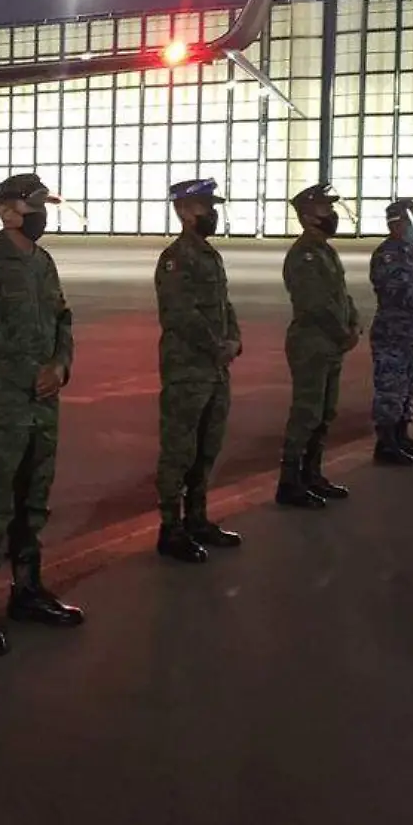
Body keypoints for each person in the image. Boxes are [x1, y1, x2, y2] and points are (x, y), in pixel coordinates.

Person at [0, 172, 83, 656]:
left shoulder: (44, 263)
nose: (40, 213)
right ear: (8, 211)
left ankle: (27, 589)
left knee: (34, 498)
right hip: (4, 404)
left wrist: (61, 366)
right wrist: (35, 372)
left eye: (42, 205)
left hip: (44, 402)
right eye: (33, 206)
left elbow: (63, 320)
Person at [152, 178, 244, 564]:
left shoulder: (210, 255)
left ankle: (198, 518)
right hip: (188, 369)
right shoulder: (176, 259)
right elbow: (181, 314)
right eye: (206, 206)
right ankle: (170, 529)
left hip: (215, 370)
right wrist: (217, 346)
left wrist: (235, 339)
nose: (213, 213)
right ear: (185, 211)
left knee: (207, 448)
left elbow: (224, 306)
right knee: (179, 451)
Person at [277, 183, 359, 508]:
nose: (332, 214)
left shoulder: (325, 251)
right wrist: (343, 333)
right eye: (326, 208)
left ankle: (312, 474)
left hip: (330, 342)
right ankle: (289, 482)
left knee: (325, 412)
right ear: (309, 216)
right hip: (312, 343)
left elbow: (340, 294)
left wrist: (352, 321)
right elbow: (315, 304)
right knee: (306, 414)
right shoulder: (305, 255)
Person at [368, 198, 413, 465]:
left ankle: (402, 435)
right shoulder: (387, 254)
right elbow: (401, 293)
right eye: (412, 220)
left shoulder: (411, 252)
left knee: (410, 384)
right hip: (394, 330)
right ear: (397, 223)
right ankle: (386, 442)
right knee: (391, 386)